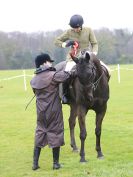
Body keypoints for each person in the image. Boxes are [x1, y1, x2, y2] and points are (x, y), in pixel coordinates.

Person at [30, 53, 73, 170]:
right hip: (54, 111)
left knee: (40, 132)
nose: (51, 63)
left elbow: (36, 92)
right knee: (56, 133)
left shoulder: (33, 80)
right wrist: (69, 65)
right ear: (44, 63)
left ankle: (35, 164)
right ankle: (55, 164)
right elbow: (67, 75)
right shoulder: (53, 75)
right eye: (49, 61)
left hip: (40, 112)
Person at [54, 14, 110, 103]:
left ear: (81, 25)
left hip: (87, 56)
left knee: (106, 69)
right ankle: (64, 94)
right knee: (67, 72)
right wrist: (66, 44)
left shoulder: (88, 30)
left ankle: (103, 90)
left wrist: (93, 54)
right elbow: (57, 41)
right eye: (73, 28)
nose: (75, 30)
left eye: (76, 28)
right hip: (73, 58)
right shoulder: (69, 32)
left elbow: (94, 43)